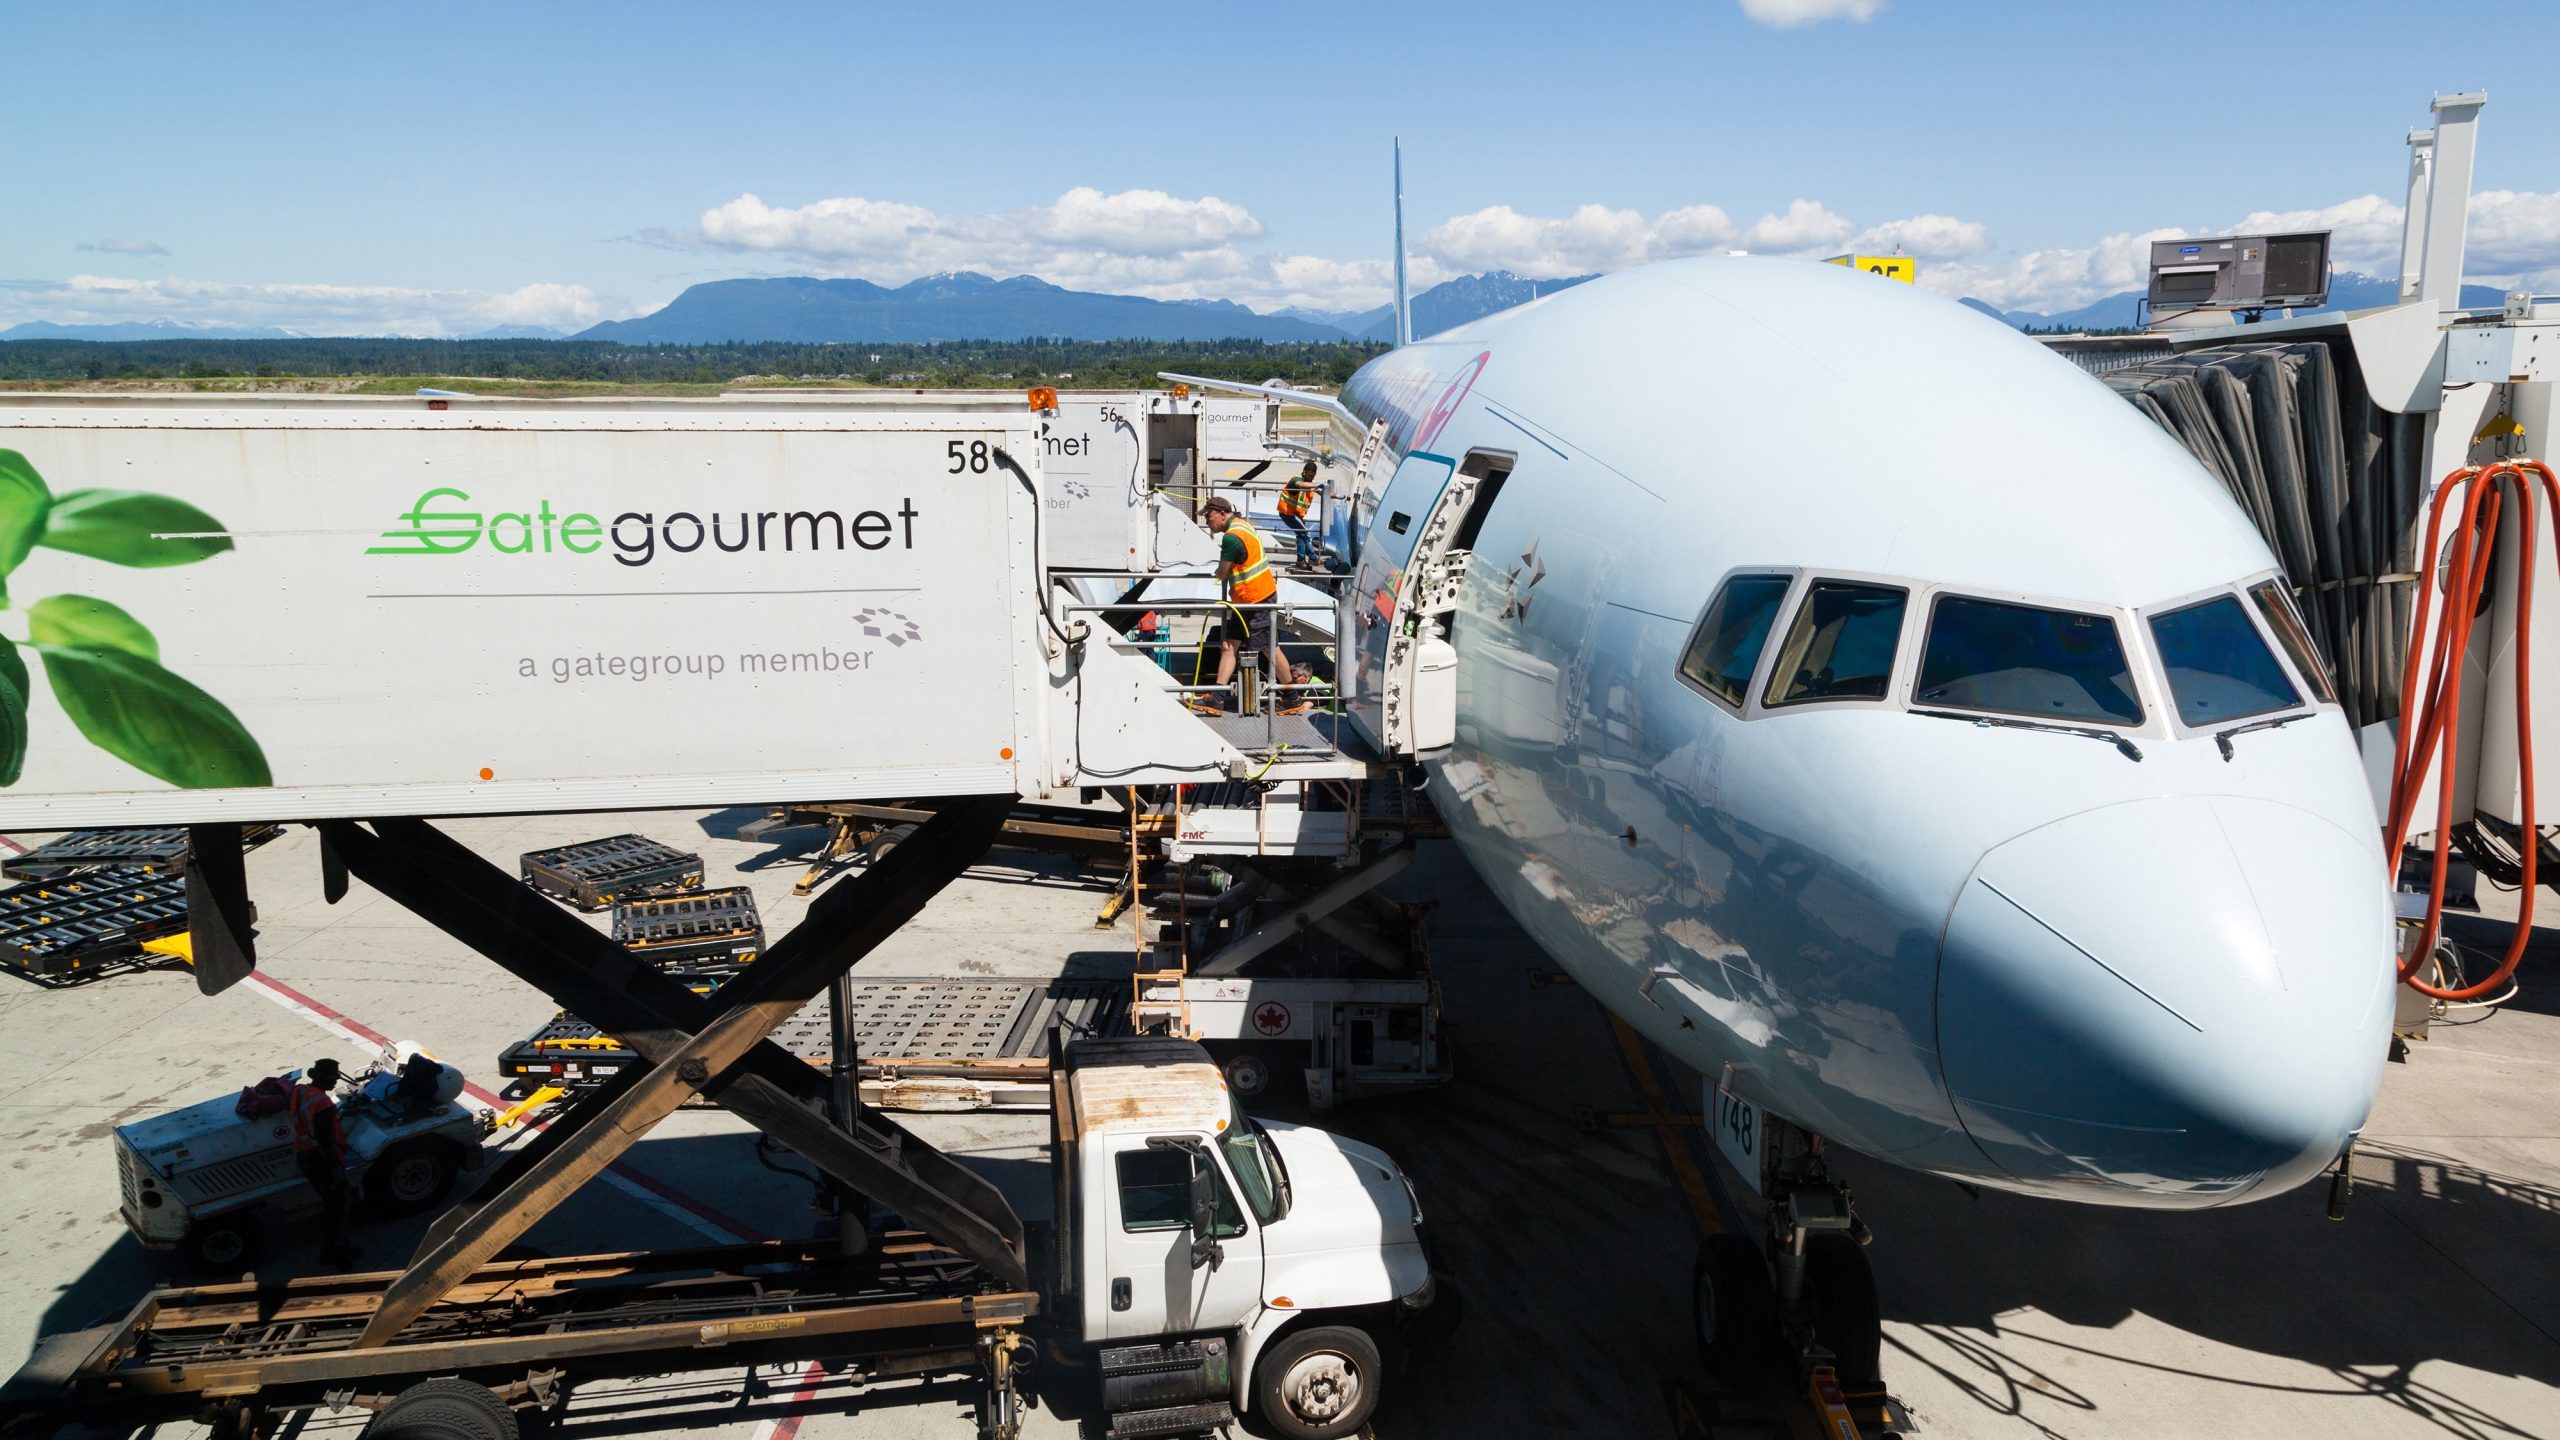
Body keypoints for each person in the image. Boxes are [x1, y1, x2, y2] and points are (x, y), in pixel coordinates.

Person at [1200, 496, 1295, 710]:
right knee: (1228, 646)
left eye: (1209, 515)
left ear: (1222, 514)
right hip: (1250, 601)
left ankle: (1292, 696)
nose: (1207, 520)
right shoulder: (1243, 525)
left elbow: (1222, 573)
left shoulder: (1232, 538)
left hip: (1256, 600)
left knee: (1270, 649)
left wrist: (1219, 571)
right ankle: (1217, 697)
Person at [290, 1057, 357, 1268]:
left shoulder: (300, 1092)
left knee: (331, 1205)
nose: (335, 1082)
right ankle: (337, 1255)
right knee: (339, 1208)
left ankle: (337, 1249)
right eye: (333, 1077)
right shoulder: (323, 1104)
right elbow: (325, 1139)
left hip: (305, 1156)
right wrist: (336, 1167)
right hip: (323, 1161)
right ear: (326, 1078)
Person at [1277, 460, 1320, 568]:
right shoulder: (1296, 480)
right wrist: (1316, 484)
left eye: (1313, 476)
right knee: (1304, 533)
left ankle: (1305, 560)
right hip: (1287, 513)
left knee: (1303, 535)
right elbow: (1300, 484)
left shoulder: (1309, 485)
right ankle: (1309, 558)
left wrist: (1337, 496)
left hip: (1296, 515)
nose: (1311, 478)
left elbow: (1323, 491)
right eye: (1309, 475)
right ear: (1304, 472)